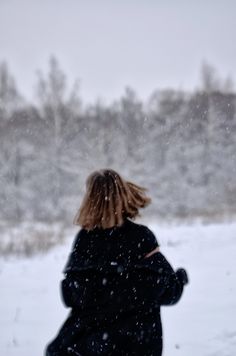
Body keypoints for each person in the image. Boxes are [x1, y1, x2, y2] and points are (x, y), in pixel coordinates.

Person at [45, 169, 188, 356]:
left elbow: (72, 293)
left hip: (91, 347)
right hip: (137, 345)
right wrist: (180, 278)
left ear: (90, 200)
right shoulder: (141, 237)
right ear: (123, 195)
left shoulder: (85, 240)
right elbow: (166, 292)